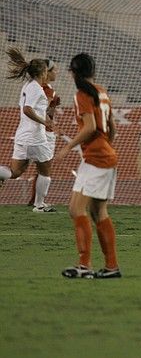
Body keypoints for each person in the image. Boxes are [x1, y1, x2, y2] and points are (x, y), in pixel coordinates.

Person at [55, 53, 121, 279]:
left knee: (76, 209)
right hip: (104, 157)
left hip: (96, 159)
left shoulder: (82, 94)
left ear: (74, 73)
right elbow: (112, 126)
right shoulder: (101, 91)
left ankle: (84, 266)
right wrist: (106, 146)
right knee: (97, 211)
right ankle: (111, 267)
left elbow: (90, 127)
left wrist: (67, 147)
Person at [0, 48, 55, 212]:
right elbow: (28, 109)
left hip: (23, 136)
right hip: (34, 137)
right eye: (46, 70)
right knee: (45, 170)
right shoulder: (36, 88)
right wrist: (44, 121)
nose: (47, 73)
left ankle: (39, 204)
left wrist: (45, 116)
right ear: (42, 72)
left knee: (15, 172)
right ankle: (39, 205)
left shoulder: (28, 85)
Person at [25, 59, 61, 208]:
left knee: (27, 166)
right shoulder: (45, 89)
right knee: (44, 167)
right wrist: (49, 122)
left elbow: (47, 111)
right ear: (46, 72)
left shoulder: (41, 87)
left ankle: (36, 200)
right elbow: (42, 111)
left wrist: (53, 107)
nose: (56, 72)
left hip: (38, 131)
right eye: (54, 70)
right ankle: (36, 201)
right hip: (43, 133)